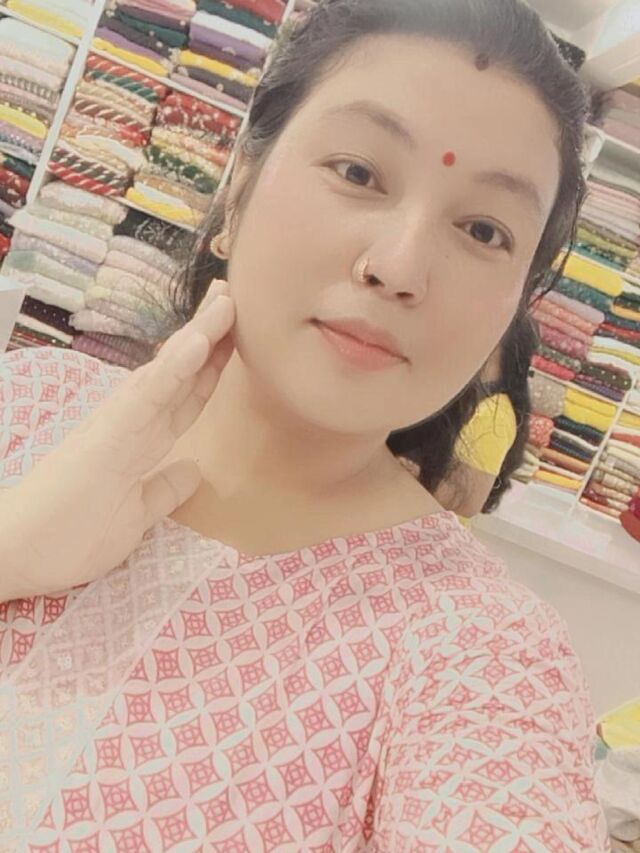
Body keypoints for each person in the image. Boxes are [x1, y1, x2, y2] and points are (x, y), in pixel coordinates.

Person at [0, 0, 609, 848]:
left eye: (483, 229)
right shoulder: (22, 398)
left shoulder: (478, 647)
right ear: (240, 186)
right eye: (358, 171)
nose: (397, 266)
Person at [434, 313, 539, 520]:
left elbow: (468, 501)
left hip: (427, 528)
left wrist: (399, 469)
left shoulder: (494, 413)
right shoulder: (466, 394)